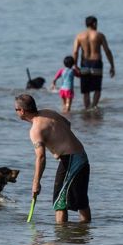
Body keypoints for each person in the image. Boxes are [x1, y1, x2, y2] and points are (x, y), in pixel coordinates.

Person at [15, 94, 91, 223]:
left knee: (59, 203)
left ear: (22, 111)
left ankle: (61, 238)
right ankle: (84, 234)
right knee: (81, 201)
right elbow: (67, 123)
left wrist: (36, 183)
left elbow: (41, 157)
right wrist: (60, 141)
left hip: (71, 160)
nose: (16, 112)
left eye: (16, 110)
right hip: (81, 157)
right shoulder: (48, 112)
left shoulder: (35, 130)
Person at [72, 16, 115, 110]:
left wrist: (74, 65)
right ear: (94, 23)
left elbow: (75, 52)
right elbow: (107, 50)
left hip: (84, 64)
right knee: (97, 89)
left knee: (86, 91)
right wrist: (112, 65)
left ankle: (87, 109)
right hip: (96, 64)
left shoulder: (79, 36)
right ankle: (93, 107)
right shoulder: (99, 35)